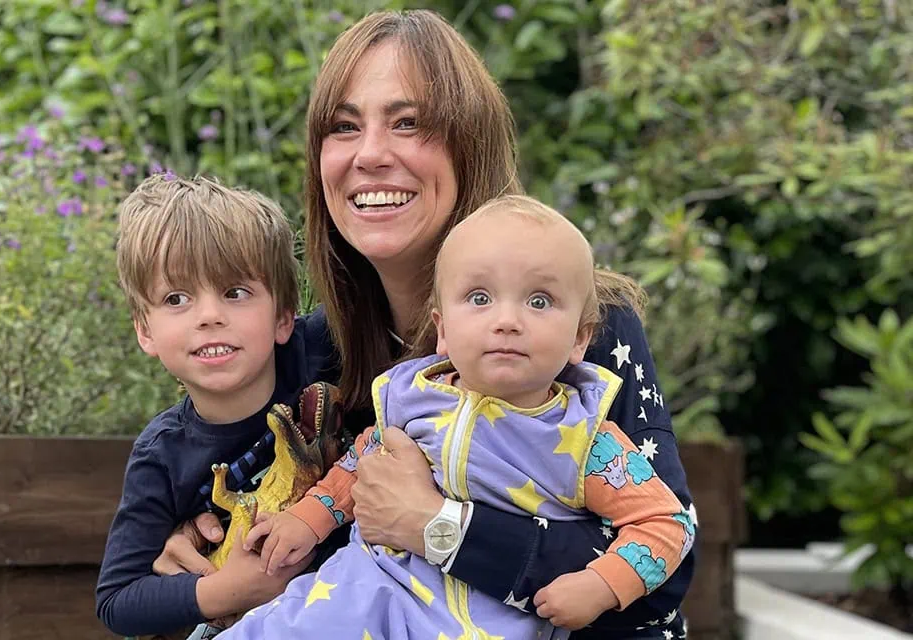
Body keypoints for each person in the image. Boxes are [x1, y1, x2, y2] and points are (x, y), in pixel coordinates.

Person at [153, 10, 698, 639]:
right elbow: (225, 488)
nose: (371, 154)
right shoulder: (307, 352)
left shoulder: (583, 334)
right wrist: (195, 538)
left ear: (471, 144)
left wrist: (438, 526)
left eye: (409, 123)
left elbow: (661, 581)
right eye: (344, 127)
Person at [224, 195, 695, 638]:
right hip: (369, 594)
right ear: (442, 330)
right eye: (479, 298)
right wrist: (309, 520)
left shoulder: (585, 440)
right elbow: (361, 463)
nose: (507, 320)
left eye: (539, 301)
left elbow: (667, 523)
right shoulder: (411, 398)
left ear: (580, 338)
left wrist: (601, 583)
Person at [94, 175, 339, 637]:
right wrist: (231, 589)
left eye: (235, 292)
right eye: (176, 298)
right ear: (145, 331)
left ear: (283, 316)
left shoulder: (315, 352)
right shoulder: (162, 454)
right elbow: (117, 599)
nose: (209, 316)